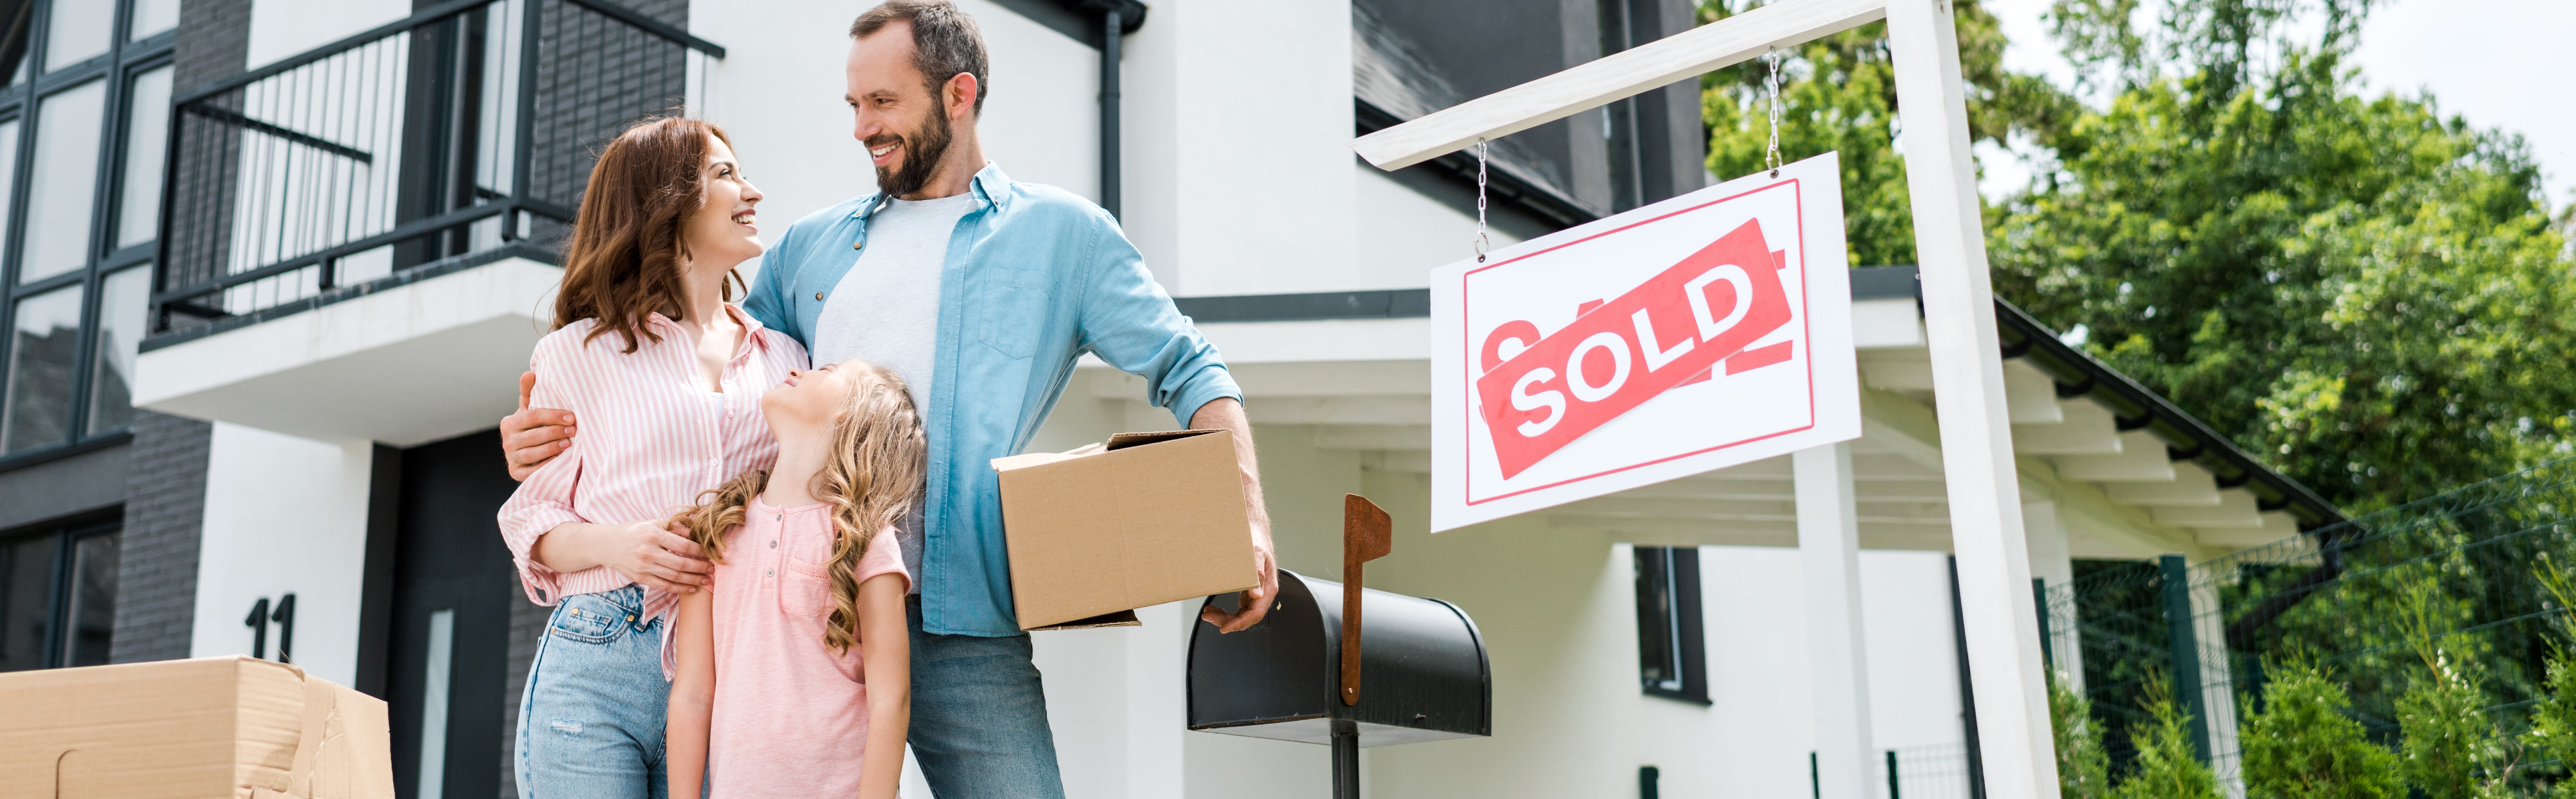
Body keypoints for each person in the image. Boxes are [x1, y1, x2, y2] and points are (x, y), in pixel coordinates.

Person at [501, 1, 1281, 796]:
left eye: (883, 103)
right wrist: (551, 432)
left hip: (963, 618)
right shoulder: (810, 246)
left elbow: (1191, 367)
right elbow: (708, 379)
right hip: (796, 610)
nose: (861, 127)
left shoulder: (1064, 238)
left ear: (958, 94)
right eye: (852, 105)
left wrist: (1245, 514)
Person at [494, 116, 803, 799]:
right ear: (666, 201)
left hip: (732, 662)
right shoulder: (579, 352)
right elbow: (532, 517)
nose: (751, 189)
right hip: (597, 659)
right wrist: (622, 544)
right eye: (725, 175)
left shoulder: (785, 360)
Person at [667, 359, 920, 799]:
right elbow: (691, 694)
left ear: (852, 413)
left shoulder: (865, 540)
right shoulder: (715, 530)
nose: (800, 371)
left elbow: (890, 699)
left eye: (827, 369)